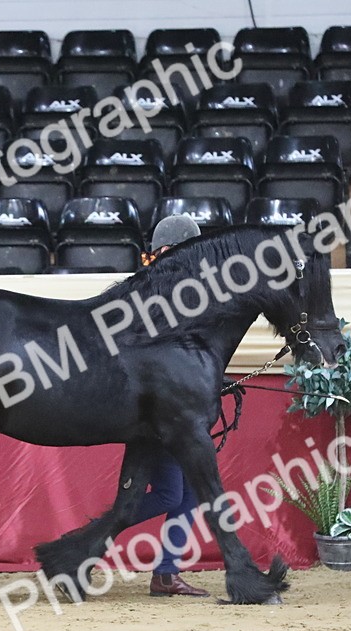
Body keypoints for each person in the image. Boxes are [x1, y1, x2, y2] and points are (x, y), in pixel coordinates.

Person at [132, 214, 210, 598]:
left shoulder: (183, 291)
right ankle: (89, 535)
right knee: (170, 494)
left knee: (187, 492)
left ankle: (166, 573)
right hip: (155, 411)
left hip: (173, 407)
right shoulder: (154, 291)